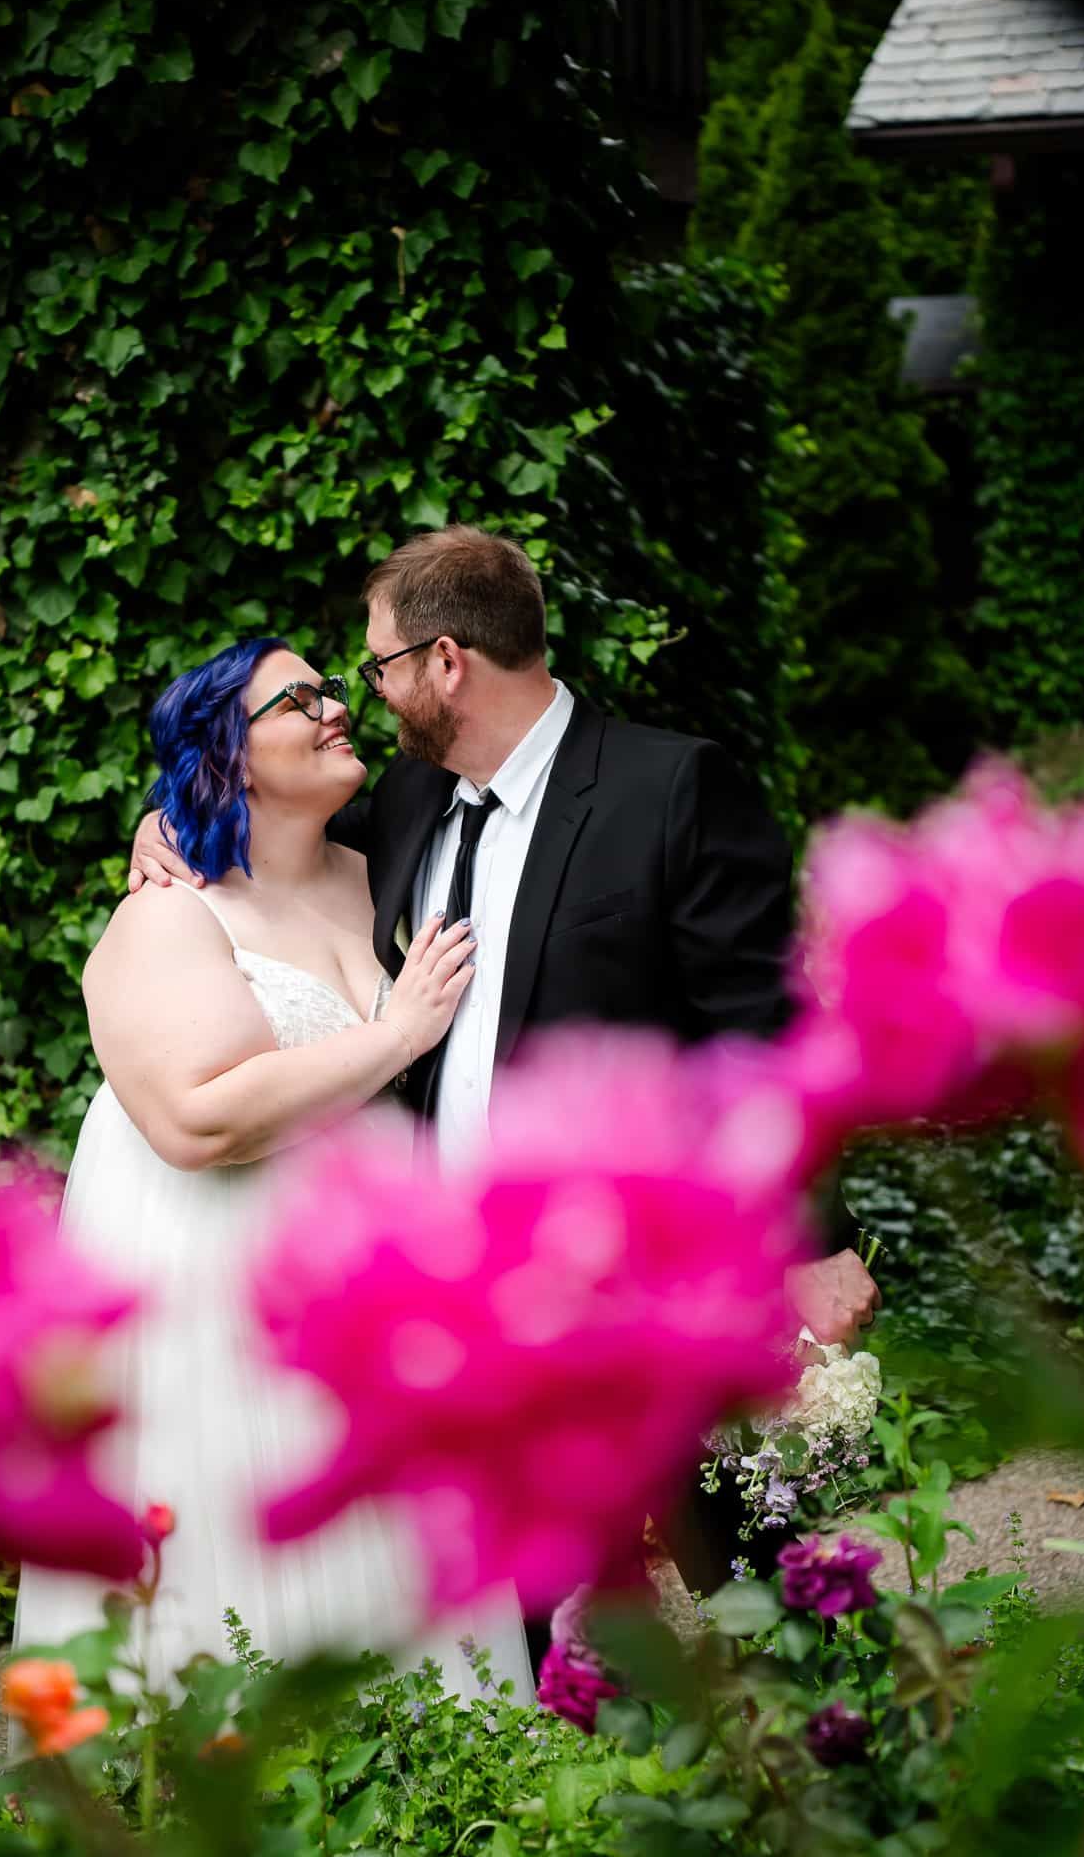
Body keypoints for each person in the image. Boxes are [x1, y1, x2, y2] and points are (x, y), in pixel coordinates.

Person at [131, 529, 881, 1607]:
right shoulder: (402, 804)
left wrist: (807, 1244)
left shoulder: (668, 788)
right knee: (518, 1622)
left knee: (765, 1597)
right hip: (473, 1311)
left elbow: (764, 1037)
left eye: (381, 666)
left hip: (643, 1284)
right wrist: (155, 828)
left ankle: (845, 1761)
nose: (368, 697)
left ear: (445, 664)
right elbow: (250, 828)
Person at [14, 636, 533, 1700]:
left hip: (363, 1293)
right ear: (229, 753)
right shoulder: (169, 911)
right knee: (247, 1562)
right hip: (218, 1299)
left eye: (331, 686)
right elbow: (195, 1121)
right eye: (298, 700)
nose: (334, 706)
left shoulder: (392, 855)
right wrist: (393, 1038)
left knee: (391, 1554)